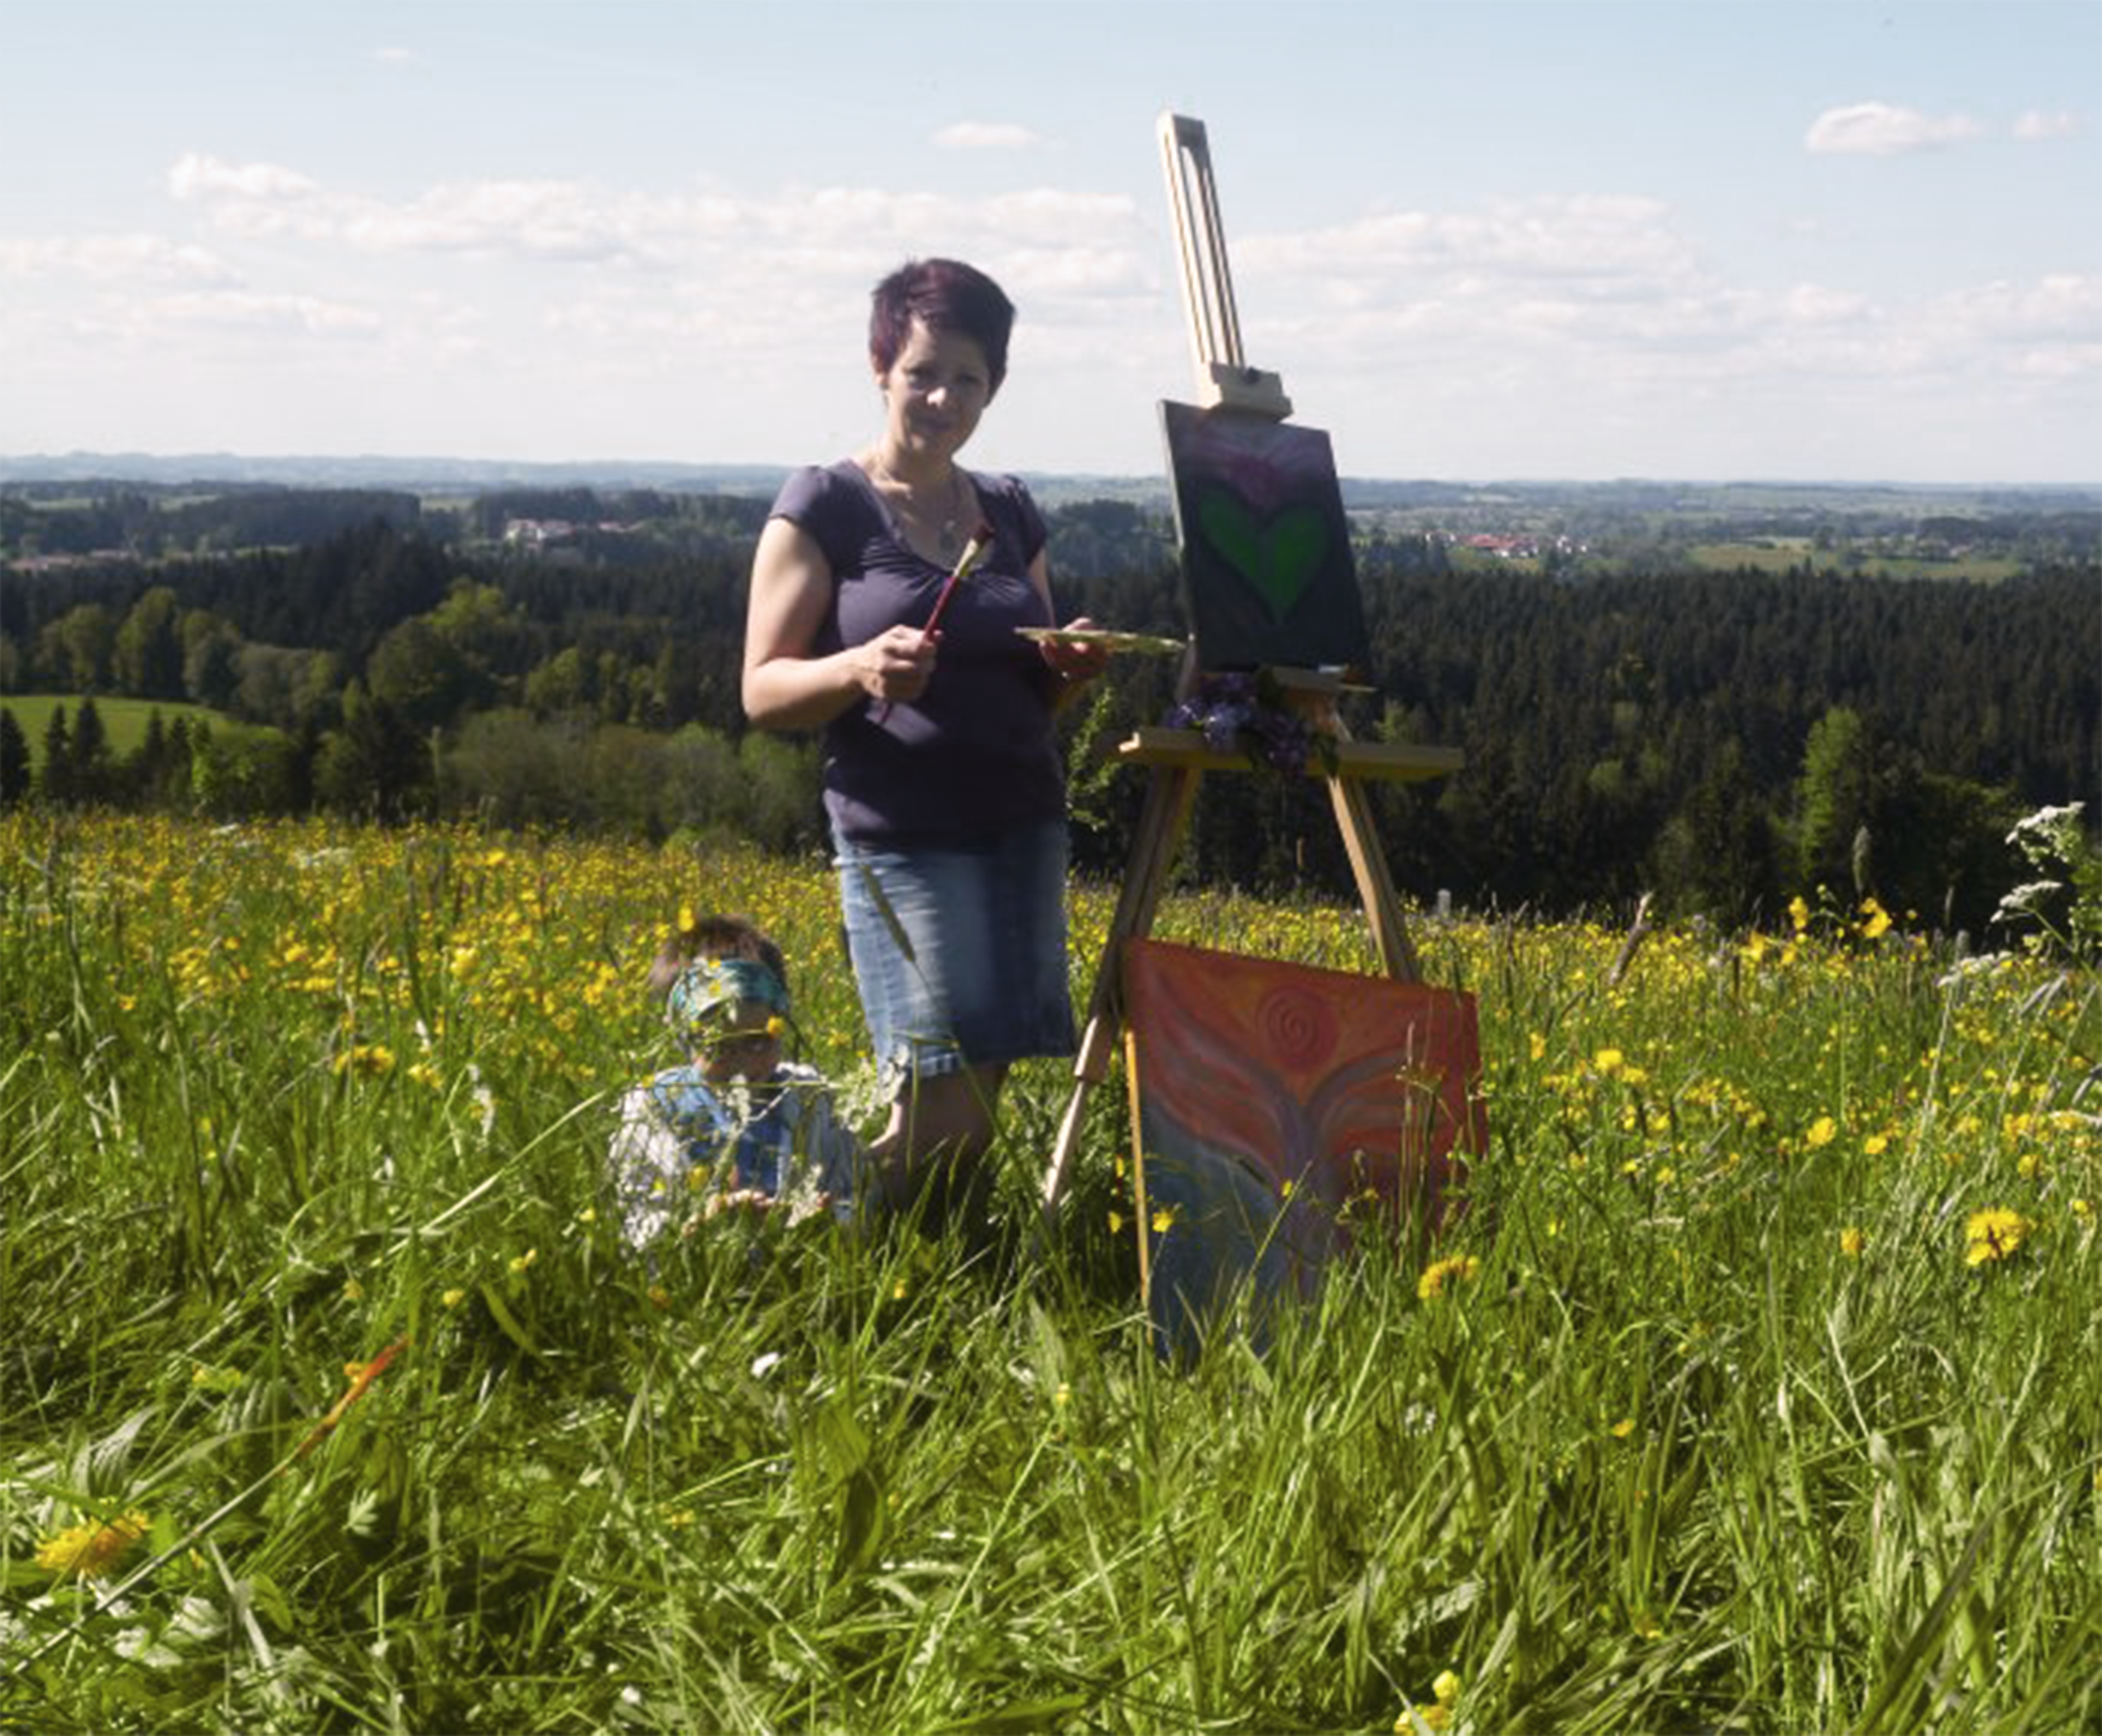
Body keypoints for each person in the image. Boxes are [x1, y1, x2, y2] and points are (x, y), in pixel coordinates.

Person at [741, 257, 1108, 1236]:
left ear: (995, 387)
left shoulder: (1007, 509)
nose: (945, 398)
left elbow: (1026, 692)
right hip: (905, 833)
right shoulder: (825, 503)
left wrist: (1066, 674)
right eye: (923, 372)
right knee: (940, 1096)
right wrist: (857, 668)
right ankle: (795, 1236)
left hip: (1020, 821)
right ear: (880, 367)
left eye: (971, 379)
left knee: (976, 1100)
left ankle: (922, 1270)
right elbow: (763, 689)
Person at [608, 913, 861, 1252]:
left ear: (781, 1023)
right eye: (717, 1046)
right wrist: (700, 1226)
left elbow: (851, 1190)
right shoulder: (655, 1109)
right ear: (684, 1040)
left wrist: (827, 1224)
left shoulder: (807, 1098)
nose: (741, 1064)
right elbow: (638, 1223)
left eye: (759, 1040)